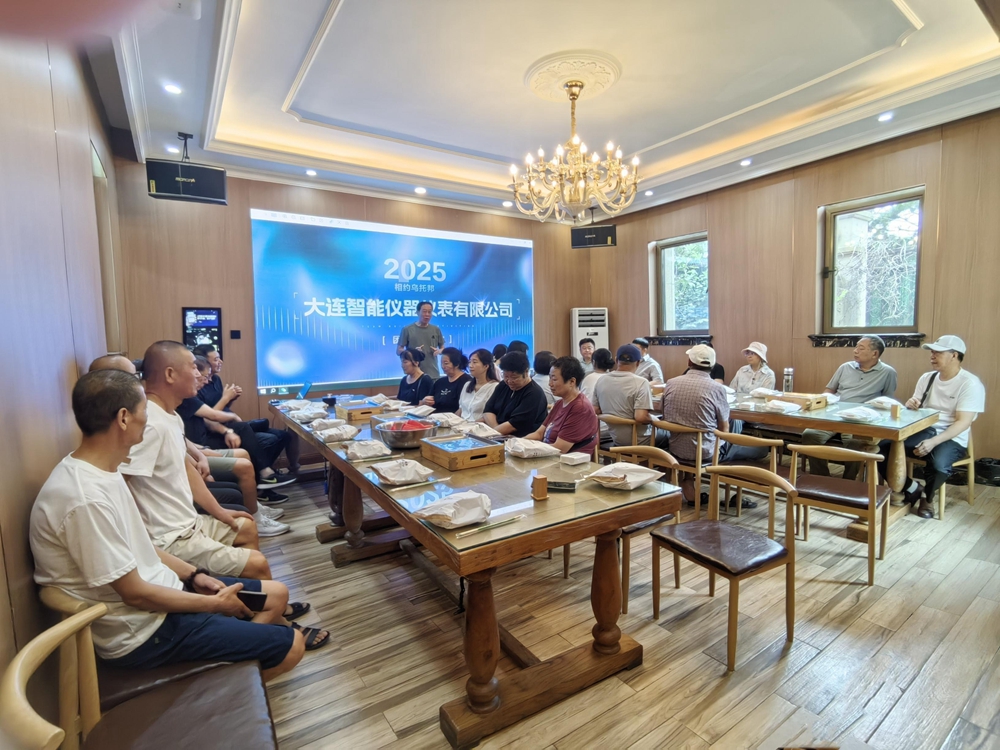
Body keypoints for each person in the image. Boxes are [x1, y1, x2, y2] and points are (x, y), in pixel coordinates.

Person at [29, 369, 320, 679]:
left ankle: (235, 653)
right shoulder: (85, 498)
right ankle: (217, 684)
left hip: (163, 595)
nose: (148, 417)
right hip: (144, 631)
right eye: (144, 409)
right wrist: (211, 605)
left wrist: (194, 575)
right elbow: (135, 595)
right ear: (124, 418)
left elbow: (141, 546)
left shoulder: (104, 471)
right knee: (291, 645)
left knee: (276, 595)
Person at [120, 341, 271, 580]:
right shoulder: (150, 424)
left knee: (246, 527)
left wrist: (219, 511)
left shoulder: (170, 415)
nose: (199, 374)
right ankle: (248, 596)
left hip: (189, 522)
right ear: (170, 374)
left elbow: (186, 468)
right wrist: (142, 544)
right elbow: (121, 483)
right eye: (192, 367)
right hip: (168, 538)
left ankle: (243, 595)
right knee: (258, 564)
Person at [879, 336, 985, 519]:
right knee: (880, 450)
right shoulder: (927, 378)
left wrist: (933, 442)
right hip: (924, 429)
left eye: (938, 352)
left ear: (954, 355)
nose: (932, 356)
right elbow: (917, 409)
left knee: (938, 466)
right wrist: (912, 405)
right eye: (932, 352)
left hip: (951, 436)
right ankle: (914, 488)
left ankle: (927, 498)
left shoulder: (970, 384)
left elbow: (963, 422)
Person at [662, 345, 766, 506]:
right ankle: (736, 492)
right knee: (762, 449)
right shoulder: (716, 388)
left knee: (695, 435)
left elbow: (665, 415)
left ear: (689, 362)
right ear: (712, 365)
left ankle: (689, 480)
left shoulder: (671, 383)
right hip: (707, 453)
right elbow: (724, 430)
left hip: (676, 448)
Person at [193, 344, 299, 488]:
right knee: (266, 438)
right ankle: (263, 475)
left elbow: (221, 408)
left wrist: (230, 399)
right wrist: (225, 399)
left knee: (282, 435)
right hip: (215, 431)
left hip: (227, 425)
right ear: (204, 362)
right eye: (216, 359)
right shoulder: (195, 388)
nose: (220, 362)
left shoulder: (215, 380)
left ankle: (264, 479)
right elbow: (209, 417)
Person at [801, 335, 897, 478]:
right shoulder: (845, 367)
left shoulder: (888, 372)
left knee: (855, 443)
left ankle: (849, 481)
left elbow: (887, 401)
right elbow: (829, 390)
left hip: (860, 421)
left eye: (861, 348)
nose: (855, 350)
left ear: (874, 353)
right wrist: (822, 404)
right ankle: (821, 477)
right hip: (834, 415)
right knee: (809, 435)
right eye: (856, 346)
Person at [593, 344, 668, 449]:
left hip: (616, 438)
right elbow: (641, 417)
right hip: (640, 441)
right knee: (668, 434)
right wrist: (654, 419)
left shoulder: (601, 380)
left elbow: (595, 410)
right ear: (638, 363)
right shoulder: (641, 383)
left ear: (616, 360)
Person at [524, 357, 599, 454]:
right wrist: (519, 443)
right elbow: (539, 434)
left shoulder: (580, 408)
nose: (550, 384)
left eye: (554, 379)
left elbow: (560, 448)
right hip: (547, 455)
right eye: (550, 378)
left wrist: (528, 449)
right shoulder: (559, 403)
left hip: (566, 460)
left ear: (572, 382)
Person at [483, 351, 548, 437]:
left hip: (520, 439)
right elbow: (488, 410)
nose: (509, 381)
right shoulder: (503, 385)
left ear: (526, 372)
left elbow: (514, 425)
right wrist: (495, 431)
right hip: (498, 435)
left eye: (514, 377)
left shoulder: (534, 394)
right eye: (505, 376)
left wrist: (491, 434)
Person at [396, 301, 444, 379]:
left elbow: (443, 348)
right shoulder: (407, 329)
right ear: (417, 312)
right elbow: (398, 351)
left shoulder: (436, 329)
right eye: (424, 311)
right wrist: (412, 353)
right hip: (415, 375)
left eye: (429, 312)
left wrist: (439, 351)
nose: (427, 314)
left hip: (433, 374)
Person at [422, 347, 473, 413]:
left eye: (446, 363)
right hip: (435, 417)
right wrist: (425, 401)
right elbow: (430, 399)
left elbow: (465, 408)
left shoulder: (467, 382)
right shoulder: (439, 382)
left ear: (456, 364)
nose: (443, 366)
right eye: (441, 363)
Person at [460, 349, 500, 422]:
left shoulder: (494, 387)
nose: (470, 365)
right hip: (462, 425)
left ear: (486, 366)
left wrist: (468, 425)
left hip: (479, 426)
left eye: (474, 362)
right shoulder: (467, 385)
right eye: (469, 362)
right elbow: (461, 409)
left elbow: (490, 415)